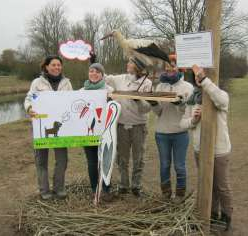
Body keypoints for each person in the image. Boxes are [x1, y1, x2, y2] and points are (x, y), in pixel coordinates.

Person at [180, 64, 233, 231]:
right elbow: (183, 122)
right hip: (199, 149)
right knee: (206, 183)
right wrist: (193, 120)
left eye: (201, 76)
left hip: (219, 150)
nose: (198, 80)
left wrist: (205, 80)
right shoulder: (192, 98)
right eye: (196, 77)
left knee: (220, 185)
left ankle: (226, 216)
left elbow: (221, 100)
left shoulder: (220, 95)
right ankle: (210, 214)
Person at [24, 55, 73, 200]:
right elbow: (29, 99)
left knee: (62, 159)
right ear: (46, 66)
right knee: (41, 160)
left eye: (59, 65)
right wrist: (29, 108)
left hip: (61, 129)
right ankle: (44, 190)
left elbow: (72, 101)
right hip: (41, 127)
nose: (57, 67)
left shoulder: (67, 83)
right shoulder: (37, 83)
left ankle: (59, 188)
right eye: (53, 65)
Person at [105, 57, 152, 197]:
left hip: (139, 125)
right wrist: (93, 61)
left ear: (138, 67)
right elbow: (105, 78)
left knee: (138, 157)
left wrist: (138, 101)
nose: (128, 64)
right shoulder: (120, 79)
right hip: (121, 125)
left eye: (131, 63)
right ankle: (123, 185)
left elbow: (146, 109)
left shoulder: (146, 83)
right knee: (122, 157)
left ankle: (136, 186)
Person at [149, 55, 193, 201]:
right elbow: (159, 112)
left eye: (173, 66)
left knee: (179, 166)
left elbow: (188, 113)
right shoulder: (160, 86)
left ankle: (180, 194)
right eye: (167, 66)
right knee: (164, 165)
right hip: (162, 133)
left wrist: (179, 104)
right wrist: (153, 103)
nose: (169, 69)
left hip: (180, 133)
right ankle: (166, 193)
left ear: (178, 68)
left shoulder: (188, 87)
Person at [80, 62, 114, 201]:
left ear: (102, 74)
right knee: (92, 161)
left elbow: (114, 109)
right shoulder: (81, 91)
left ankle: (106, 188)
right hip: (88, 132)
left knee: (105, 159)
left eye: (97, 72)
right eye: (91, 71)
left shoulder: (109, 90)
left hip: (105, 131)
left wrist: (111, 101)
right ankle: (94, 188)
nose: (94, 74)